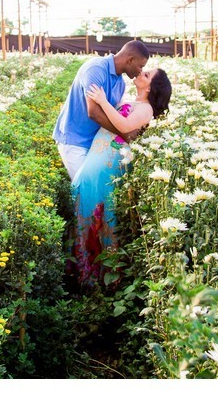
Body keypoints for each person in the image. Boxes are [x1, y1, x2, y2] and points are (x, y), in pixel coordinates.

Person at [70, 68, 172, 285]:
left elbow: (124, 126)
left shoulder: (146, 109)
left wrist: (102, 101)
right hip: (99, 153)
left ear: (150, 88)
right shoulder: (132, 101)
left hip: (110, 161)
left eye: (147, 75)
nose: (141, 73)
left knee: (99, 204)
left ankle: (103, 277)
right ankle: (84, 270)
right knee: (84, 193)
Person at [52, 40, 150, 181]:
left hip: (95, 143)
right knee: (83, 186)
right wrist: (125, 133)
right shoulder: (96, 69)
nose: (140, 71)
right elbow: (93, 112)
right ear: (130, 60)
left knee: (93, 188)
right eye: (140, 66)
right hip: (75, 140)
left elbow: (113, 114)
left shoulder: (120, 83)